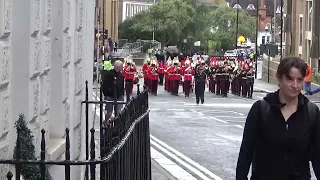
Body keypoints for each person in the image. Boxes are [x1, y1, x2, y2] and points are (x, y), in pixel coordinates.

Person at [236, 56, 320, 180]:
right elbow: (245, 153)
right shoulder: (261, 109)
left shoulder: (311, 112)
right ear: (279, 77)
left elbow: (317, 157)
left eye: (300, 80)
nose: (295, 85)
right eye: (290, 79)